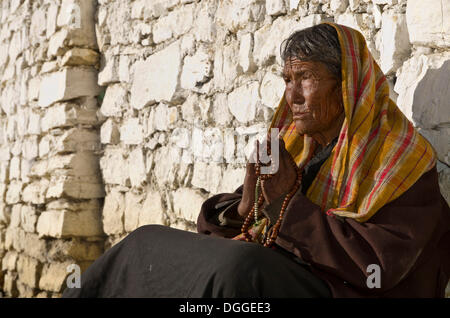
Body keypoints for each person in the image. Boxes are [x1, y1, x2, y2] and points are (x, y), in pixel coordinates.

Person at [62, 23, 450, 298]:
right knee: (145, 242)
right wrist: (248, 202)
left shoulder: (398, 158)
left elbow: (380, 267)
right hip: (283, 271)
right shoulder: (298, 146)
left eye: (305, 78)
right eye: (286, 80)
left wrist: (285, 205)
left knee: (238, 270)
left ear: (346, 85)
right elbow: (241, 226)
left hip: (340, 289)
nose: (292, 95)